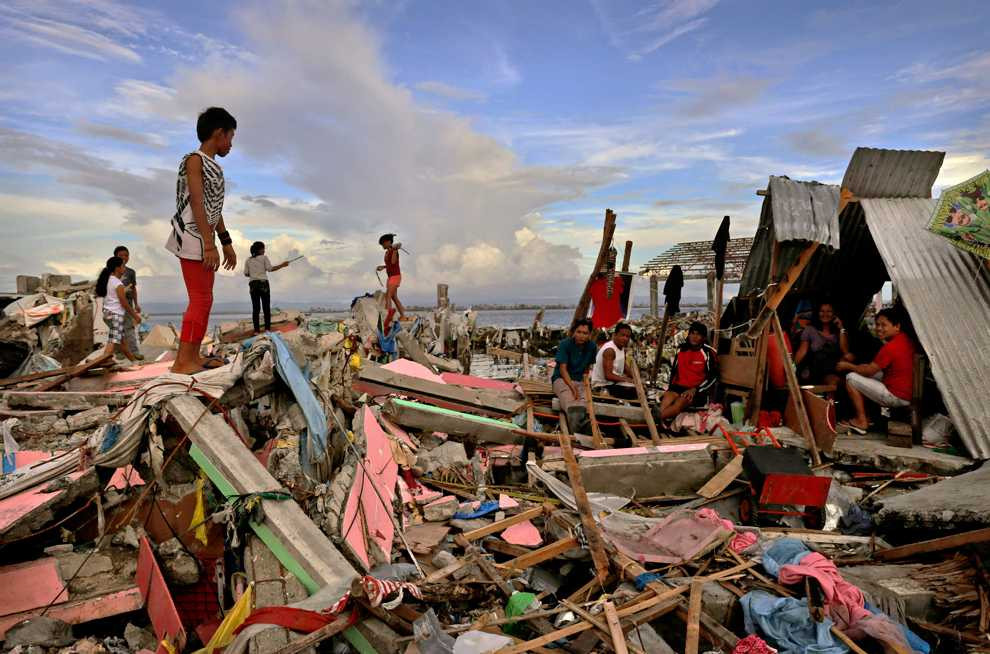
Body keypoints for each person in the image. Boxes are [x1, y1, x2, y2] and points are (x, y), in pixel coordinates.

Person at [165, 107, 237, 374]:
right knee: (200, 299)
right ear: (218, 133)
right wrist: (209, 244)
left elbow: (213, 208)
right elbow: (197, 202)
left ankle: (192, 357)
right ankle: (184, 361)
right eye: (230, 137)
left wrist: (225, 241)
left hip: (204, 236)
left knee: (205, 298)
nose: (231, 144)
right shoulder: (194, 160)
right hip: (193, 236)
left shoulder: (212, 165)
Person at [836, 307, 916, 434]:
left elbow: (868, 371)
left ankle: (861, 421)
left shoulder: (890, 347)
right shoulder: (905, 339)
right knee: (867, 375)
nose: (879, 328)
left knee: (851, 378)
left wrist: (848, 366)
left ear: (897, 326)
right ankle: (871, 416)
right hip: (906, 391)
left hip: (896, 395)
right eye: (877, 324)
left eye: (884, 325)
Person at [660, 322, 718, 421]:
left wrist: (695, 389)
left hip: (696, 391)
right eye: (692, 333)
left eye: (698, 334)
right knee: (667, 399)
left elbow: (713, 377)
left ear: (703, 337)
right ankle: (660, 419)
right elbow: (674, 373)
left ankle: (654, 419)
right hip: (678, 388)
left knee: (679, 403)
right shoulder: (681, 350)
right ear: (689, 334)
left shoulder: (708, 353)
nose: (694, 337)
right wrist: (670, 389)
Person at [793, 302, 853, 386]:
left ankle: (831, 399)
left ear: (834, 314)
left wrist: (841, 328)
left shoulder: (839, 332)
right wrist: (792, 368)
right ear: (818, 313)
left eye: (829, 311)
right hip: (816, 369)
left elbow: (845, 351)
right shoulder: (810, 330)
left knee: (835, 379)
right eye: (822, 311)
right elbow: (802, 351)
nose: (825, 314)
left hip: (834, 369)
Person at [552, 318, 598, 429]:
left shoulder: (591, 346)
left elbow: (587, 368)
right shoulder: (565, 344)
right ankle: (576, 432)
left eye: (585, 333)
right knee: (570, 402)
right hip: (562, 379)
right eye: (579, 332)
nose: (581, 336)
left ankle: (585, 429)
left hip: (579, 379)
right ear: (573, 332)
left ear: (590, 334)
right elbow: (563, 369)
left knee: (584, 403)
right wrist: (572, 387)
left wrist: (586, 384)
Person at [95, 256, 142, 362]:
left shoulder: (108, 280)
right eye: (123, 266)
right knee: (113, 341)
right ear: (117, 268)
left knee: (122, 342)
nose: (124, 268)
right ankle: (103, 361)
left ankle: (134, 363)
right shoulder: (117, 283)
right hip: (116, 316)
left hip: (107, 314)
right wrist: (135, 316)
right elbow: (124, 303)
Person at [243, 241, 289, 334]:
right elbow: (270, 269)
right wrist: (283, 265)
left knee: (256, 308)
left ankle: (256, 331)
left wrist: (254, 274)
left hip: (253, 285)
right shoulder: (264, 258)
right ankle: (267, 329)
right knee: (266, 307)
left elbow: (246, 274)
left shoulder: (248, 260)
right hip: (263, 284)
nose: (264, 251)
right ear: (260, 249)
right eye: (263, 249)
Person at [591, 322, 637, 400]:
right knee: (632, 391)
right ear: (615, 335)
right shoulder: (610, 350)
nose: (625, 338)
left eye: (627, 336)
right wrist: (627, 379)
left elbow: (624, 365)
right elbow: (608, 375)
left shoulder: (622, 348)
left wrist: (636, 378)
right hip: (602, 385)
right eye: (622, 335)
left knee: (640, 387)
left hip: (613, 383)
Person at [113, 245, 143, 360]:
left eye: (126, 255)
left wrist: (136, 304)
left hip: (128, 304)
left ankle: (135, 352)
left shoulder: (131, 272)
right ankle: (119, 353)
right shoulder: (110, 271)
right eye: (121, 256)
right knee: (117, 329)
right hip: (115, 305)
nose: (124, 258)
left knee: (129, 328)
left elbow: (134, 288)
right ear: (115, 257)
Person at [377, 234, 405, 321]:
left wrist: (395, 250)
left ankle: (388, 317)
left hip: (395, 276)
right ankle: (403, 315)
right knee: (394, 297)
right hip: (390, 277)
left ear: (388, 242)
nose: (382, 245)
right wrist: (383, 267)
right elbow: (390, 265)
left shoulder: (393, 251)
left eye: (383, 243)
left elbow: (393, 262)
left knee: (388, 296)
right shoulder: (387, 252)